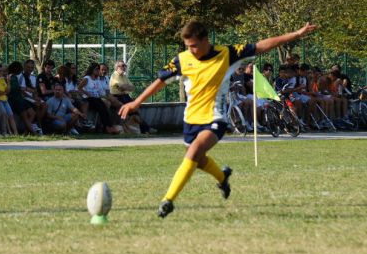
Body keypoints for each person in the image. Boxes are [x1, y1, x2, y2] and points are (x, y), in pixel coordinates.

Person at [119, 20, 316, 218]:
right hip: (191, 119)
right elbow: (160, 82)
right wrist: (136, 102)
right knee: (198, 158)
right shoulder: (182, 60)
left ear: (205, 40)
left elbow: (262, 45)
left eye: (194, 45)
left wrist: (296, 34)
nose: (191, 50)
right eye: (188, 46)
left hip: (216, 117)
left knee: (194, 152)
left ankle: (168, 200)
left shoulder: (227, 54)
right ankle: (222, 178)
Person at [78, 62, 120, 134]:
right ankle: (107, 127)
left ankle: (108, 126)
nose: (98, 71)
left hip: (96, 98)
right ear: (92, 70)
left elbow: (101, 91)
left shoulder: (97, 79)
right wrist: (86, 93)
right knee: (101, 108)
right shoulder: (87, 78)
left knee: (104, 107)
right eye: (97, 69)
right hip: (89, 98)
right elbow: (79, 88)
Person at [110, 60, 150, 134]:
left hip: (125, 96)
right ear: (117, 67)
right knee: (132, 110)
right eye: (122, 66)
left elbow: (132, 87)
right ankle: (145, 129)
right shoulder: (114, 76)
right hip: (117, 97)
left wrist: (125, 87)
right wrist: (125, 87)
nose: (124, 67)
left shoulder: (124, 76)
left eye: (125, 66)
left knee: (135, 108)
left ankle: (144, 129)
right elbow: (121, 87)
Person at [7, 61, 38, 135]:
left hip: (20, 99)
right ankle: (33, 133)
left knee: (32, 113)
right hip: (16, 100)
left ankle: (26, 131)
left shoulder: (14, 77)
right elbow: (15, 89)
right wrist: (27, 90)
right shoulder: (12, 77)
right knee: (25, 117)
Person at [18, 59, 46, 133]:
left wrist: (36, 97)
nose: (30, 69)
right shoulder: (21, 76)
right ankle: (36, 125)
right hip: (25, 97)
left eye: (31, 67)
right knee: (37, 104)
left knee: (45, 105)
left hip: (33, 97)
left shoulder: (34, 77)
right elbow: (22, 91)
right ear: (24, 67)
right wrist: (33, 98)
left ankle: (35, 123)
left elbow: (35, 90)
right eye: (28, 67)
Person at [0, 63, 18, 135]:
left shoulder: (2, 79)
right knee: (4, 115)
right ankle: (8, 131)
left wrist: (8, 81)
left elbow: (8, 91)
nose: (1, 73)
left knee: (11, 116)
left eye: (2, 71)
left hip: (5, 100)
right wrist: (4, 92)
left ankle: (16, 133)